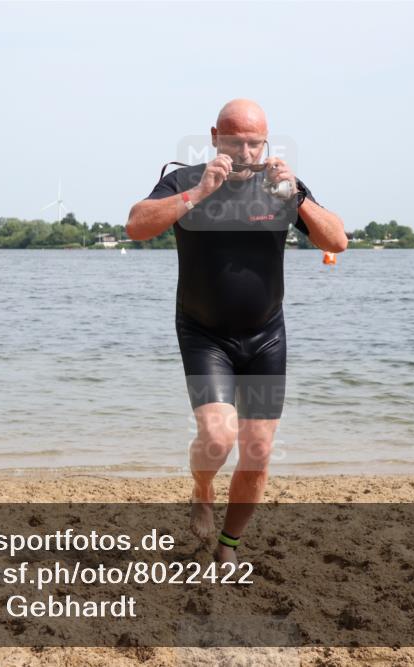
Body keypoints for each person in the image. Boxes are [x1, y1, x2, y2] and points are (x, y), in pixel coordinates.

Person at [125, 99, 347, 564]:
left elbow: (337, 242)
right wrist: (199, 192)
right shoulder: (184, 180)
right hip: (205, 334)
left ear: (266, 141)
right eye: (234, 141)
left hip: (266, 335)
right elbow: (136, 227)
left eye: (254, 142)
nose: (245, 151)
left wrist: (298, 199)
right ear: (214, 137)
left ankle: (229, 546)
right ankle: (202, 486)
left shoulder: (282, 185)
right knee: (218, 437)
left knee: (259, 449)